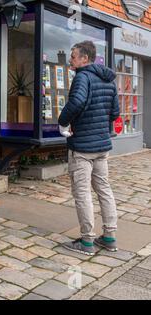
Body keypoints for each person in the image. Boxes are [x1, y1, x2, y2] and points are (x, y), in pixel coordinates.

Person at [58, 41, 120, 256]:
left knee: (82, 192)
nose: (70, 60)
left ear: (85, 58)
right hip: (102, 146)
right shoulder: (109, 80)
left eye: (73, 56)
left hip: (83, 147)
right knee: (104, 189)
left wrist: (62, 122)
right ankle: (110, 237)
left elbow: (76, 103)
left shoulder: (82, 77)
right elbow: (114, 113)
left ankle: (86, 241)